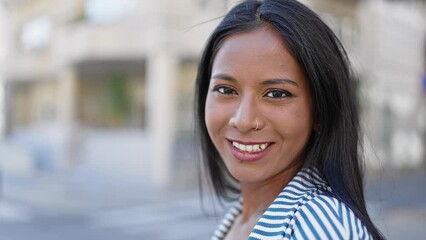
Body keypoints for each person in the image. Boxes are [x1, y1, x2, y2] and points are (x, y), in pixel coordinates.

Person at [195, 0, 384, 239]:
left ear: (320, 112)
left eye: (276, 94)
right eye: (226, 90)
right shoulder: (243, 216)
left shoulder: (319, 226)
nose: (243, 120)